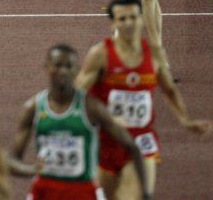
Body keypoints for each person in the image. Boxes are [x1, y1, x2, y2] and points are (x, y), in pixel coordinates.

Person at [76, 0, 213, 199]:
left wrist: (185, 120)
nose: (129, 23)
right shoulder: (100, 54)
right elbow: (77, 95)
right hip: (107, 141)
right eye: (122, 19)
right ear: (113, 23)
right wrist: (102, 118)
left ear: (142, 19)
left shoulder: (155, 54)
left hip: (142, 140)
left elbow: (169, 90)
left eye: (133, 17)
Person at [12, 44, 150, 200]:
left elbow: (131, 146)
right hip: (44, 190)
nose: (63, 71)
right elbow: (13, 160)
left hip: (83, 191)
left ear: (77, 70)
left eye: (68, 66)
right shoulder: (33, 107)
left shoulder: (91, 107)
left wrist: (145, 192)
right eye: (57, 65)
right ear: (47, 67)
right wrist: (30, 169)